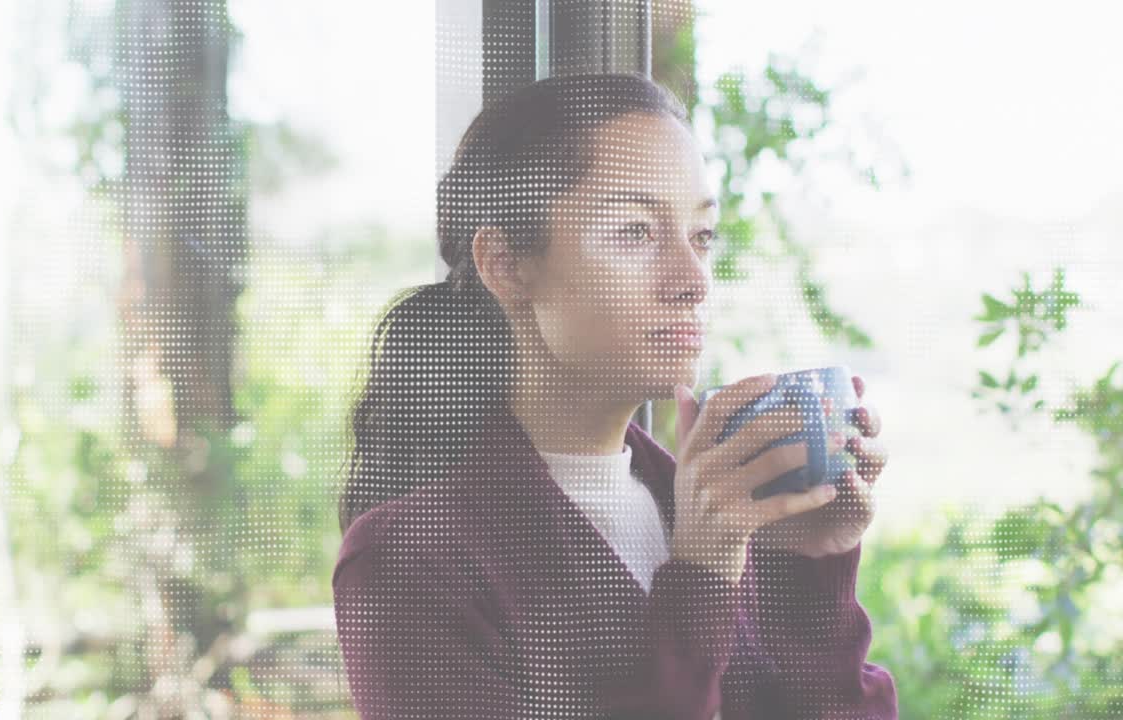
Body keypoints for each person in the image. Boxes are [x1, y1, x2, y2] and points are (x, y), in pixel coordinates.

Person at [333, 71, 897, 719]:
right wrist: (700, 579)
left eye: (702, 236)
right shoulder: (410, 564)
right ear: (506, 266)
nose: (694, 281)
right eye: (635, 231)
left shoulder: (709, 514)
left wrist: (809, 567)